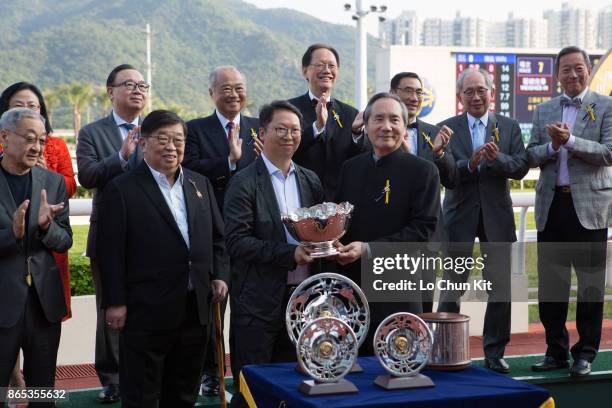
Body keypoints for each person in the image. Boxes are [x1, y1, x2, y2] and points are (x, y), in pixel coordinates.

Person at [97, 110, 229, 407]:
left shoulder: (199, 184)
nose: (172, 146)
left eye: (178, 140)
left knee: (183, 392)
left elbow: (218, 239)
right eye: (163, 139)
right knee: (142, 393)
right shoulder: (122, 188)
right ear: (143, 143)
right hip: (146, 310)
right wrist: (116, 302)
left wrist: (220, 274)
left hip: (194, 309)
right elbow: (111, 252)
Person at [223, 100, 325, 406]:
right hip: (258, 302)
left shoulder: (310, 180)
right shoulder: (243, 182)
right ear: (262, 133)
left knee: (298, 384)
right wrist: (288, 254)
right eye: (280, 129)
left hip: (304, 301)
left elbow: (320, 230)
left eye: (295, 130)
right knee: (254, 386)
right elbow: (237, 241)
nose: (289, 136)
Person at [527, 46, 612, 377]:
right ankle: (555, 350)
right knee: (552, 285)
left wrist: (571, 141)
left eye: (579, 68)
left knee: (590, 286)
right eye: (566, 69)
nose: (573, 74)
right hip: (552, 206)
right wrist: (551, 147)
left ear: (588, 69)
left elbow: (608, 153)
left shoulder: (605, 106)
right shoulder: (545, 108)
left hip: (590, 209)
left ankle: (586, 353)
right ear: (557, 74)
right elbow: (531, 155)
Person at [437, 68, 529, 374]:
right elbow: (447, 175)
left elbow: (520, 167)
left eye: (481, 90)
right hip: (459, 216)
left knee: (500, 287)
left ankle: (494, 352)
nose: (476, 97)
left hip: (497, 216)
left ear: (492, 93)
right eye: (469, 92)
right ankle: (444, 348)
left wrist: (495, 159)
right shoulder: (446, 128)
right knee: (452, 286)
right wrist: (469, 164)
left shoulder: (509, 126)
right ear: (460, 96)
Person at [334, 92, 441, 356]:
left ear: (405, 127)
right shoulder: (350, 167)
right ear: (366, 125)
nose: (386, 126)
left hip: (398, 285)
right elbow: (340, 216)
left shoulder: (424, 171)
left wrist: (368, 248)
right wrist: (335, 240)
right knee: (351, 365)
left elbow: (422, 231)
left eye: (394, 119)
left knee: (398, 361)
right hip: (352, 284)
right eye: (378, 119)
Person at [183, 66, 260, 395]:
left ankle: (249, 374)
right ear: (211, 92)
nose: (233, 94)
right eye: (225, 88)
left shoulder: (260, 127)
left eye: (238, 87)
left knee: (253, 311)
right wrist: (228, 161)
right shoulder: (195, 129)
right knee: (214, 308)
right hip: (214, 232)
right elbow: (189, 169)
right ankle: (211, 374)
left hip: (256, 233)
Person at [76, 64, 148, 403]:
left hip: (151, 236)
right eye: (129, 84)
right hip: (108, 237)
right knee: (111, 309)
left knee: (149, 307)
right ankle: (111, 379)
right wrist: (121, 156)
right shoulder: (93, 132)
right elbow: (87, 176)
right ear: (111, 91)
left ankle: (145, 373)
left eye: (142, 85)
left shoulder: (155, 129)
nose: (137, 90)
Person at [0, 108, 72, 406]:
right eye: (30, 139)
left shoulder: (52, 182)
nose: (37, 147)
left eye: (42, 140)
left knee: (42, 392)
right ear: (4, 137)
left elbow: (65, 239)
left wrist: (46, 227)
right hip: (3, 301)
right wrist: (12, 235)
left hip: (43, 303)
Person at [389, 72, 457, 312]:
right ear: (393, 94)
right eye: (408, 90)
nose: (414, 97)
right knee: (390, 307)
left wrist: (439, 154)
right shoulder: (381, 132)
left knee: (424, 307)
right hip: (390, 235)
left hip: (427, 237)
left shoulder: (434, 132)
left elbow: (451, 179)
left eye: (418, 92)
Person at [288, 43, 364, 199]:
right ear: (305, 70)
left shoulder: (351, 114)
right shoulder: (288, 110)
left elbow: (360, 159)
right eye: (320, 65)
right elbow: (283, 150)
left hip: (341, 201)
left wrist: (357, 134)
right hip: (299, 196)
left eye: (332, 66)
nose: (327, 70)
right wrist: (317, 127)